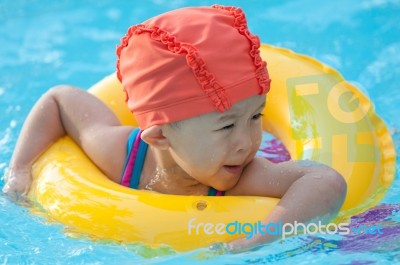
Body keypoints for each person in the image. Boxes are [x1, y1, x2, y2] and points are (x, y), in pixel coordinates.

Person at [2, 5, 346, 251]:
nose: (247, 142)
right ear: (160, 136)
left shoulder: (244, 175)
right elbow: (59, 99)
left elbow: (325, 181)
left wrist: (256, 241)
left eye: (256, 117)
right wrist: (18, 170)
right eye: (226, 126)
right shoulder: (120, 156)